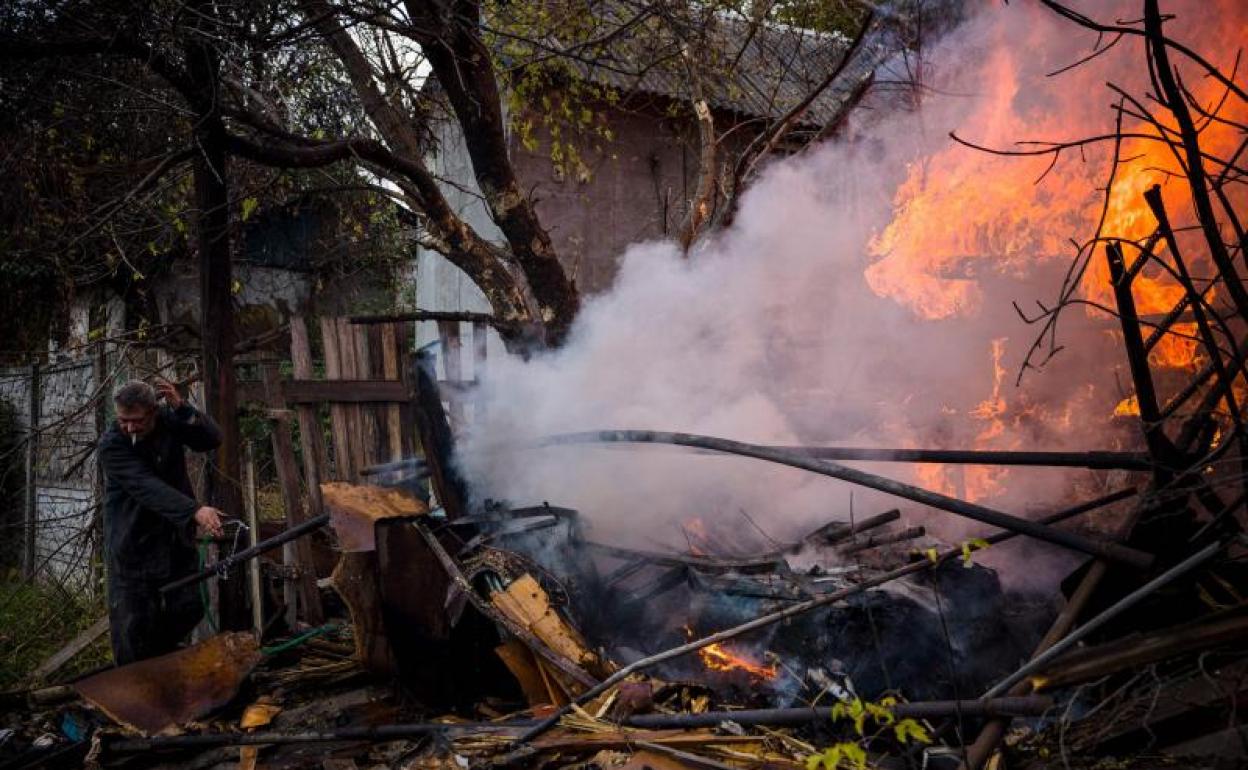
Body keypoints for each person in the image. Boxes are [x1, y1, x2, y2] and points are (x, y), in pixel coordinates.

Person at [99, 378, 226, 665]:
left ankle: (157, 663)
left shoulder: (168, 422)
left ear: (153, 412)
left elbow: (211, 440)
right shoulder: (111, 445)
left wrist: (182, 408)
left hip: (172, 541)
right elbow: (146, 487)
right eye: (123, 420)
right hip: (131, 545)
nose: (130, 427)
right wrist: (194, 510)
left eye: (136, 421)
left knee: (190, 605)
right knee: (133, 628)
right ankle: (136, 684)